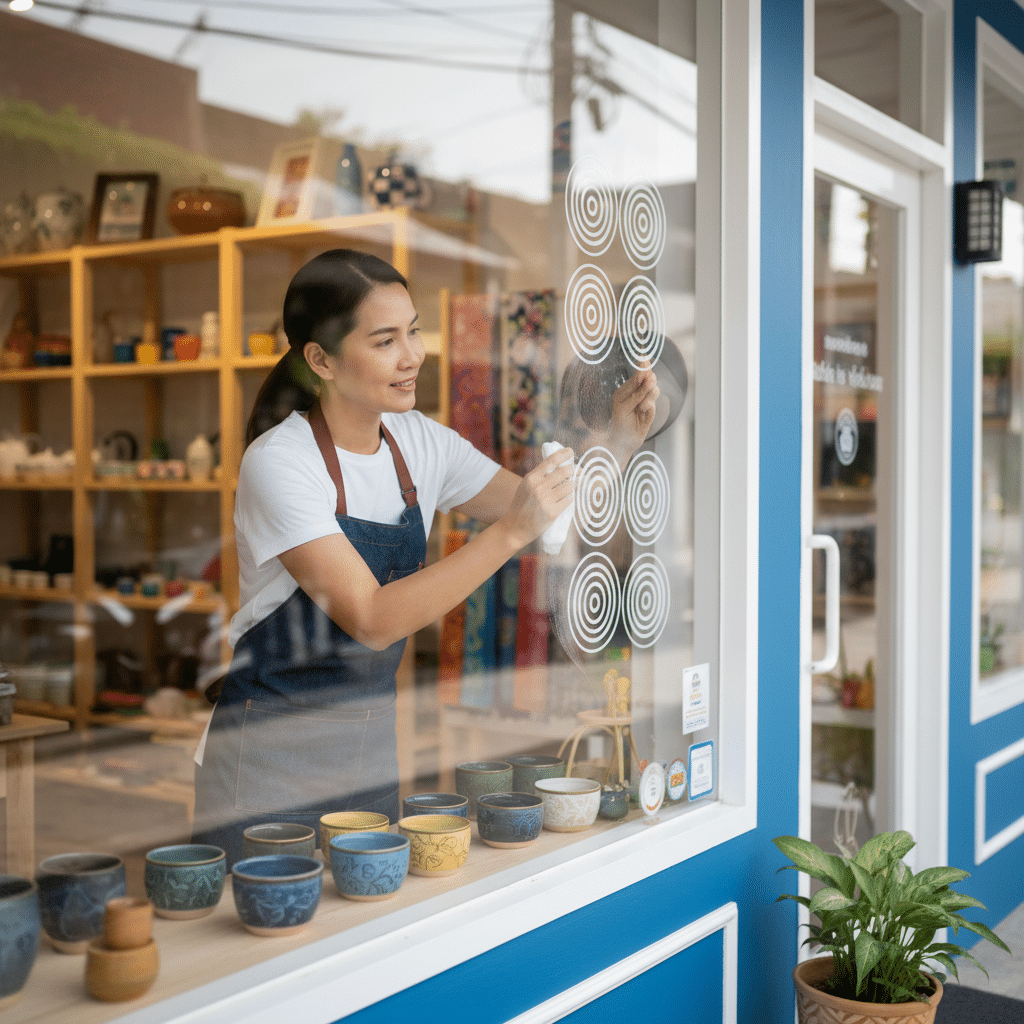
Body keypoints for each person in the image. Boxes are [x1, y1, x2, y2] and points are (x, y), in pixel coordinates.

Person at [192, 249, 659, 864]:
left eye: (413, 331)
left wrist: (617, 443)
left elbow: (536, 503)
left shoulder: (420, 443)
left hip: (368, 751)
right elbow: (371, 618)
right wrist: (512, 534)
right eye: (385, 340)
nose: (413, 355)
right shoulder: (280, 462)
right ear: (320, 359)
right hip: (266, 765)